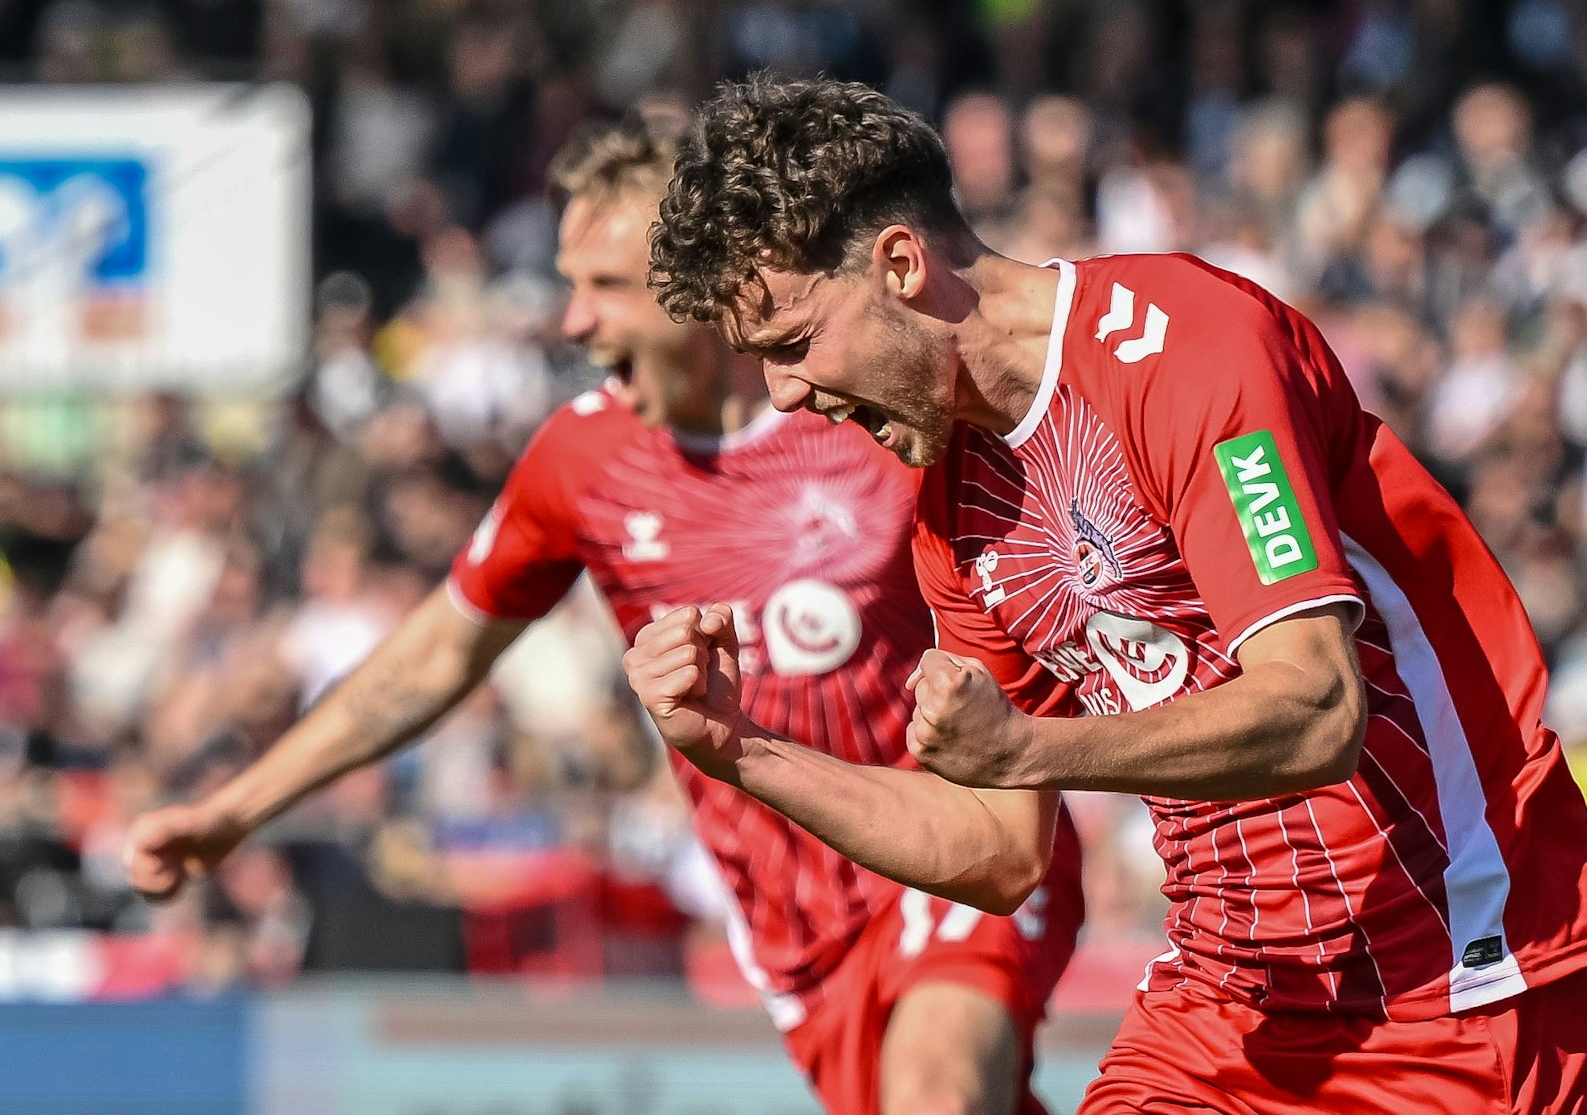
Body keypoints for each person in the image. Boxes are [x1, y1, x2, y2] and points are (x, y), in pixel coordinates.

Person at [633, 74, 1587, 1115]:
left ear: (898, 264)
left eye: (792, 345)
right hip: (1220, 1003)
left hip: (1453, 988)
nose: (786, 396)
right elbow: (996, 850)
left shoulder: (1181, 346)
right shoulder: (948, 506)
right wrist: (739, 749)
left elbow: (1319, 707)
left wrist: (1028, 747)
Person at [124, 120, 1084, 1115]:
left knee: (935, 1091)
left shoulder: (871, 412)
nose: (574, 322)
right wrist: (231, 810)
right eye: (568, 284)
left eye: (609, 288)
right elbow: (434, 658)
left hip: (956, 844)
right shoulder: (581, 463)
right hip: (794, 919)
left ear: (709, 285)